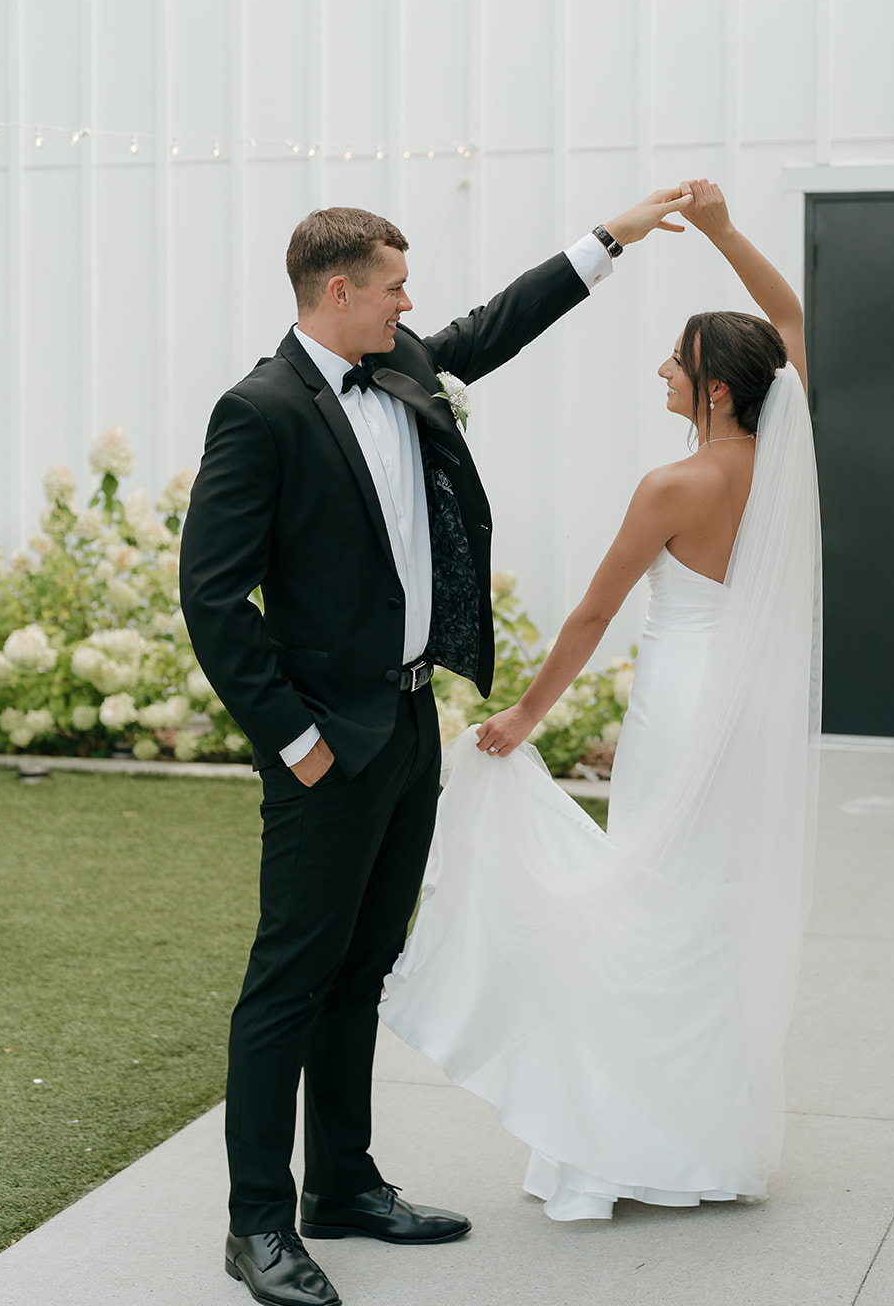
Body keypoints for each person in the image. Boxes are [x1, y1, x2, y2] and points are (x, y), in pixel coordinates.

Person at [178, 188, 693, 1306]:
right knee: (288, 982)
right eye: (395, 285)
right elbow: (213, 599)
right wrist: (296, 741)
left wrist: (609, 240)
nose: (413, 303)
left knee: (360, 971)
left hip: (412, 727)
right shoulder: (258, 411)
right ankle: (256, 1221)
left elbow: (493, 326)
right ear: (339, 290)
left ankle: (344, 1184)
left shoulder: (403, 359)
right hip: (328, 745)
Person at [380, 180, 822, 1221]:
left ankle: (624, 1139)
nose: (662, 370)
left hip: (678, 704)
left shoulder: (673, 488)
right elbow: (792, 320)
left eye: (678, 360)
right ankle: (699, 1133)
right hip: (749, 710)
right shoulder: (786, 456)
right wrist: (720, 233)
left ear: (715, 390)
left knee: (647, 898)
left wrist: (521, 719)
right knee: (706, 907)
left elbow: (587, 617)